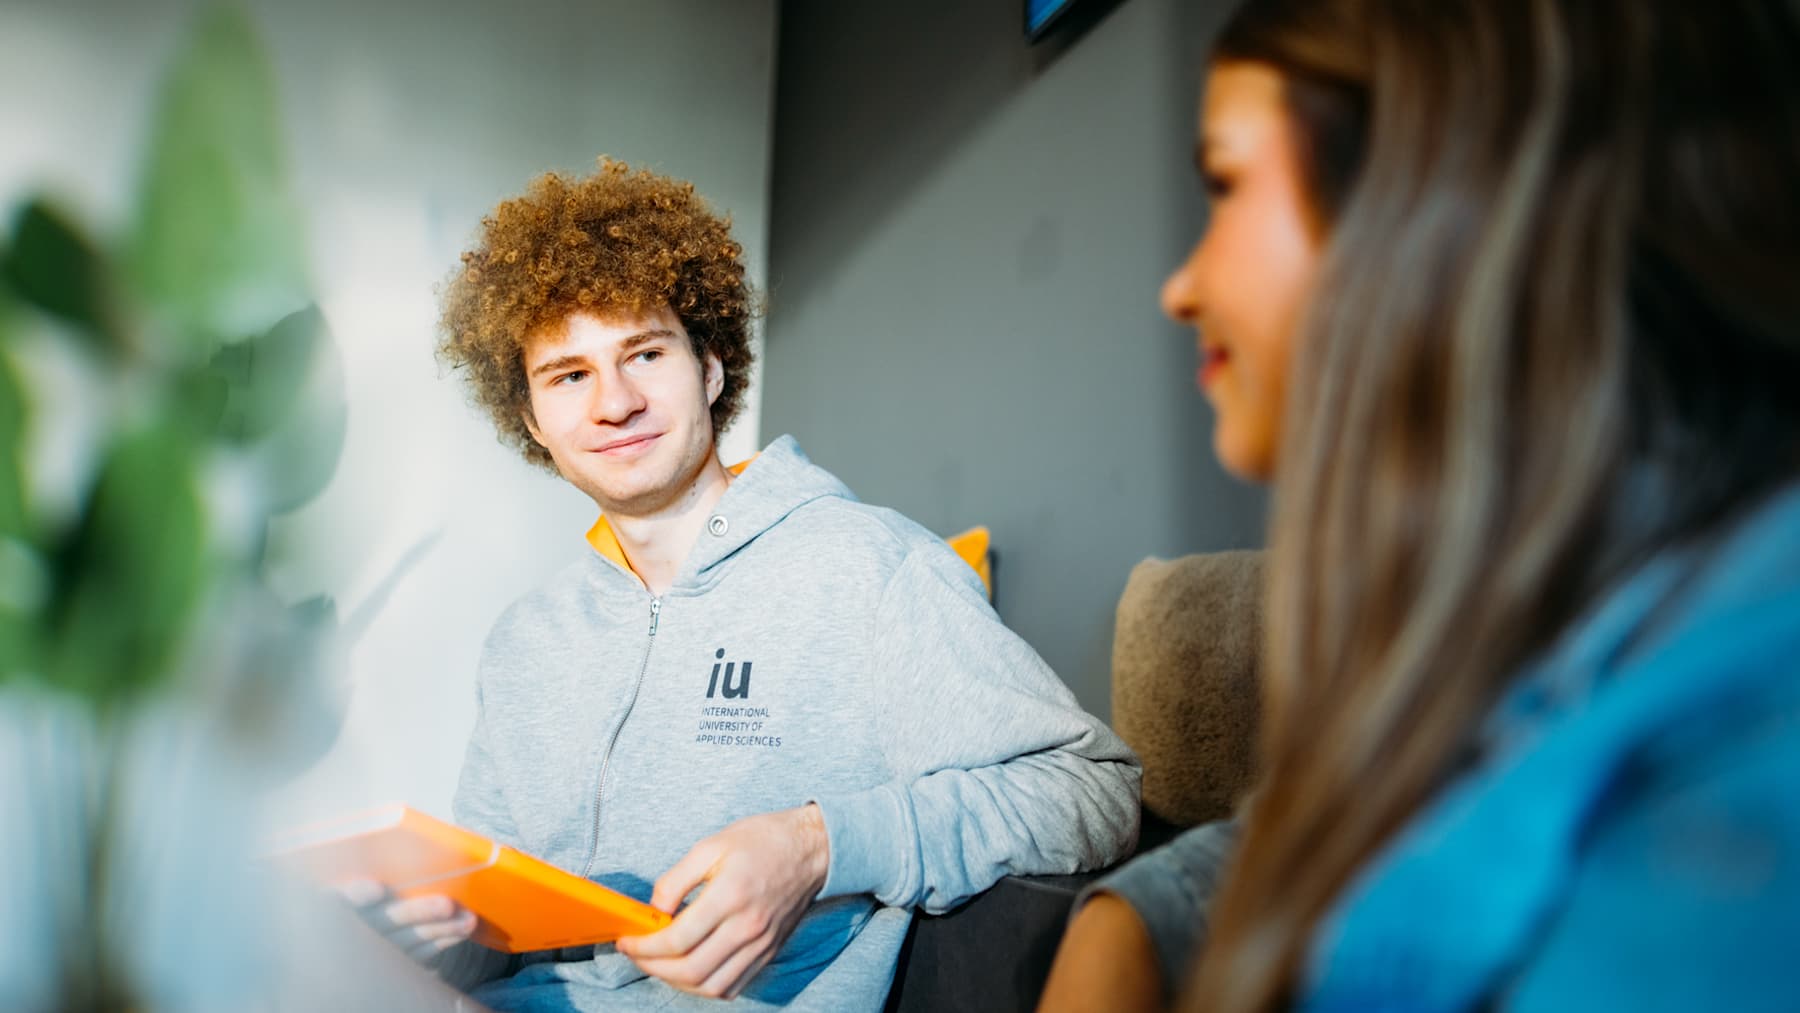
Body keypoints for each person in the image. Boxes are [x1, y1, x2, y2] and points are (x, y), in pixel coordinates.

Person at [1041, 0, 1800, 1010]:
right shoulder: (1509, 621)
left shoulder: (1737, 750)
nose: (1181, 287)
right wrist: (1127, 917)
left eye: (1225, 184)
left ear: (1426, 188)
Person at [344, 160, 1141, 1011]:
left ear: (712, 370)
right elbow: (493, 938)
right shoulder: (525, 643)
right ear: (535, 421)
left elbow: (1091, 787)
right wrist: (434, 935)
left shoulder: (867, 568)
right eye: (569, 374)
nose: (613, 403)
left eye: (644, 353)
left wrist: (819, 844)